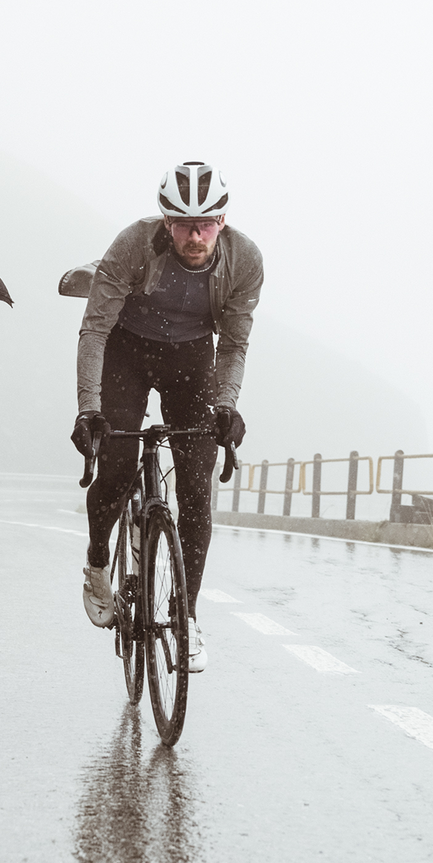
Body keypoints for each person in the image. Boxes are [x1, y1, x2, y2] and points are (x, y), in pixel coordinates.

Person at [71, 161, 263, 673]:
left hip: (191, 360)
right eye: (182, 223)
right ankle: (96, 562)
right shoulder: (133, 245)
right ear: (165, 221)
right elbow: (93, 331)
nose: (194, 235)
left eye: (205, 223)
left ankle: (188, 617)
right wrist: (89, 408)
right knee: (114, 467)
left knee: (197, 491)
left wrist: (225, 405)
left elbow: (235, 342)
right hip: (126, 352)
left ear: (222, 221)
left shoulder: (244, 260)